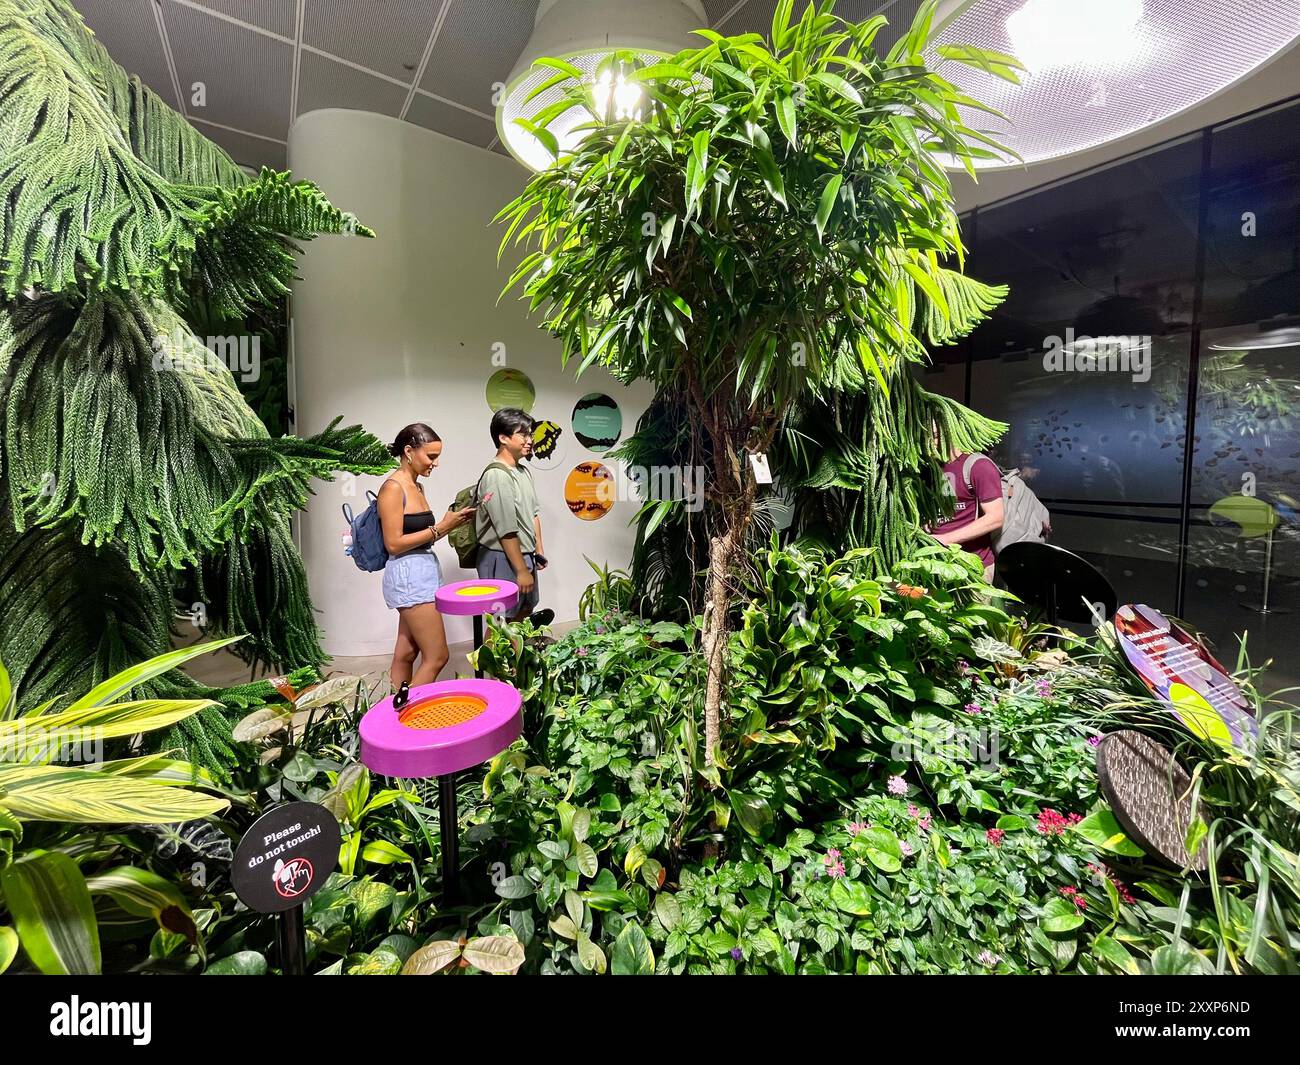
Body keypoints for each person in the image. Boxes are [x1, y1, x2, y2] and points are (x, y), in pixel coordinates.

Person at [377, 423, 476, 690]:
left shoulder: (417, 488)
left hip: (422, 573)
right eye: (431, 456)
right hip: (409, 578)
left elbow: (425, 536)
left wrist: (451, 523)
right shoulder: (393, 488)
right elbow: (394, 544)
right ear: (409, 451)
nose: (436, 463)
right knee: (437, 656)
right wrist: (441, 527)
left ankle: (394, 714)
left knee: (406, 653)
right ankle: (405, 714)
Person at [475, 408, 552, 623]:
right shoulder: (497, 475)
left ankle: (513, 658)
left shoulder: (523, 471)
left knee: (522, 613)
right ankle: (488, 658)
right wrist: (520, 569)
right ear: (503, 438)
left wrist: (538, 550)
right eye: (524, 434)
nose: (530, 440)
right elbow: (506, 529)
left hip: (524, 554)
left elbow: (533, 513)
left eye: (531, 435)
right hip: (501, 556)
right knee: (501, 620)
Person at [931, 444, 1005, 582]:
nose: (930, 441)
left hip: (972, 566)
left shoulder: (979, 466)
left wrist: (944, 540)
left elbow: (995, 518)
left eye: (935, 435)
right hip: (936, 563)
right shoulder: (930, 467)